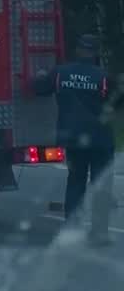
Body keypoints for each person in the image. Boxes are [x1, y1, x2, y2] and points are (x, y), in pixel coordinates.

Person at [34, 34, 115, 246]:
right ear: (95, 53)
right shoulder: (104, 77)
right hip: (100, 141)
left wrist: (39, 76)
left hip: (73, 139)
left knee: (76, 182)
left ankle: (71, 229)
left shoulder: (60, 72)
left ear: (78, 50)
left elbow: (39, 89)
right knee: (101, 186)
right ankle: (99, 233)